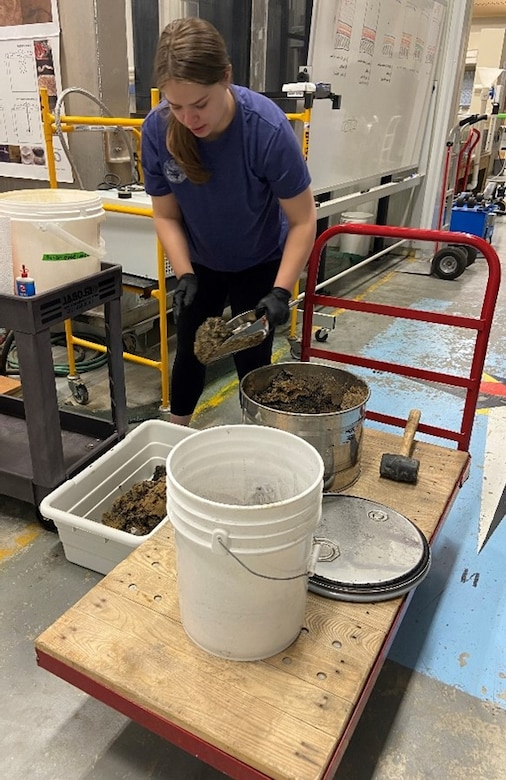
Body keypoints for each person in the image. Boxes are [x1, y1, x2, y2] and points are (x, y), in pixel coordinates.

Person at [141, 17, 317, 426]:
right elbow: (165, 214)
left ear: (226, 77)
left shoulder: (267, 131)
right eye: (176, 105)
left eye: (200, 104)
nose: (189, 118)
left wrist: (280, 290)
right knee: (190, 350)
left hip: (259, 260)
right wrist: (184, 275)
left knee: (252, 360)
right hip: (201, 263)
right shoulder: (158, 130)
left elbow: (304, 220)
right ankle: (174, 443)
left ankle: (255, 440)